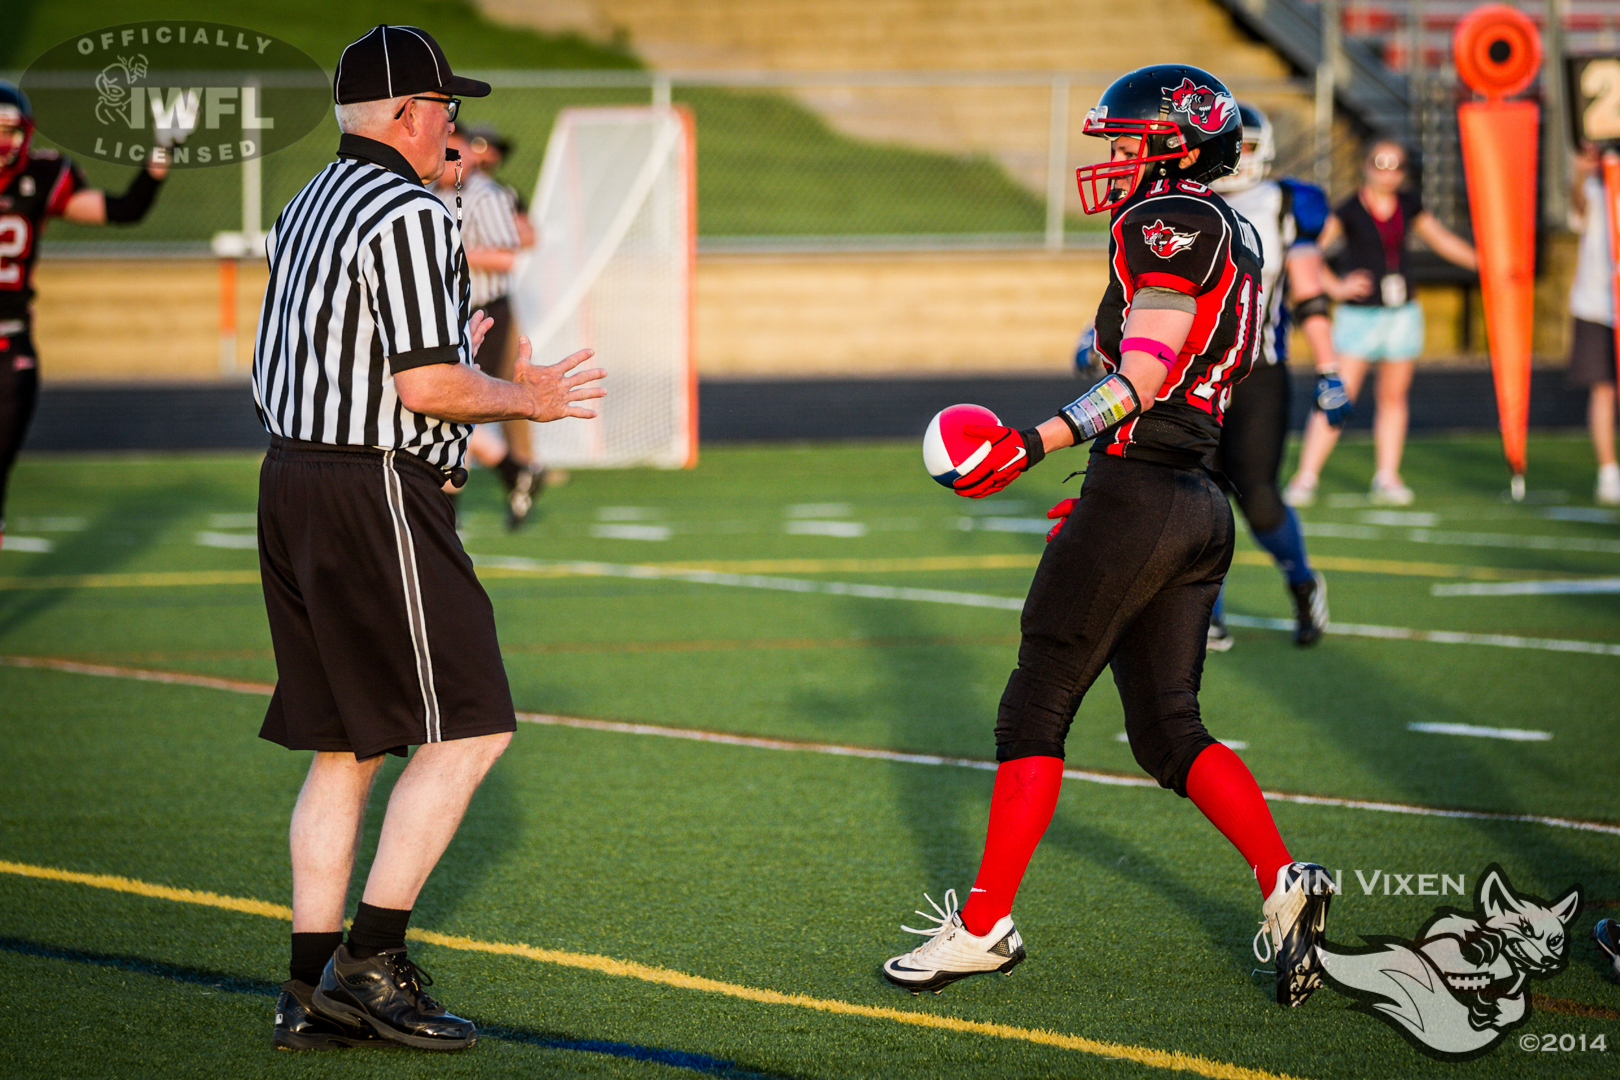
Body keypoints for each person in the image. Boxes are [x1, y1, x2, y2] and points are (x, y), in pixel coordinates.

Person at [880, 65, 1335, 1010]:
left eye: (1131, 141)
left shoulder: (1171, 220)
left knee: (1034, 708)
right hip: (1195, 499)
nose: (1118, 160)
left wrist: (1031, 442)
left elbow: (1143, 373)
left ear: (1176, 142)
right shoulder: (1239, 230)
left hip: (1142, 493)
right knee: (1167, 729)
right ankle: (1283, 882)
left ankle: (981, 927)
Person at [255, 26, 603, 1052]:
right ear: (407, 115)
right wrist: (521, 400)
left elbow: (347, 352)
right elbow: (427, 384)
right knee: (473, 724)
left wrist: (446, 416)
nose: (453, 123)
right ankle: (370, 963)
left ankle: (307, 986)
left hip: (292, 478)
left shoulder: (309, 199)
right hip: (369, 487)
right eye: (443, 106)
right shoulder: (406, 209)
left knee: (347, 747)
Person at [0, 81, 169, 550]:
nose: (3, 143)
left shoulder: (40, 177)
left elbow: (125, 209)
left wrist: (161, 154)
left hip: (9, 350)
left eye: (9, 131)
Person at [1204, 103, 1348, 649]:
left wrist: (1330, 369)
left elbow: (1310, 295)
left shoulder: (1286, 203)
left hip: (1256, 370)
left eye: (1245, 145)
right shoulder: (1184, 200)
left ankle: (1302, 581)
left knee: (1257, 497)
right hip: (1191, 375)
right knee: (1198, 493)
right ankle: (1207, 611)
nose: (1237, 158)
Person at [1283, 139, 1477, 507]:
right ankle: (1305, 477)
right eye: (1380, 164)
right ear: (1366, 165)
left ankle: (1387, 475)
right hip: (1360, 315)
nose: (1387, 173)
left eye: (1396, 167)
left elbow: (1442, 241)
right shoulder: (1349, 209)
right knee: (1339, 393)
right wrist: (1337, 286)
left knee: (1393, 396)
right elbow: (1310, 250)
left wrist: (1484, 265)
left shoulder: (1409, 205)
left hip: (1401, 313)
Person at [434, 126, 542, 529]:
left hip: (484, 311)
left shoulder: (487, 195)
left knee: (460, 407)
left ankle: (459, 503)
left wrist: (447, 251)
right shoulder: (436, 193)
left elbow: (505, 257)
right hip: (451, 313)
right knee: (451, 407)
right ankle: (515, 472)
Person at [1567, 142, 1619, 506]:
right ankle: (1608, 472)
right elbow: (1577, 211)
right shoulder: (1595, 188)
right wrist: (1580, 171)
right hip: (1595, 304)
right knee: (1602, 390)